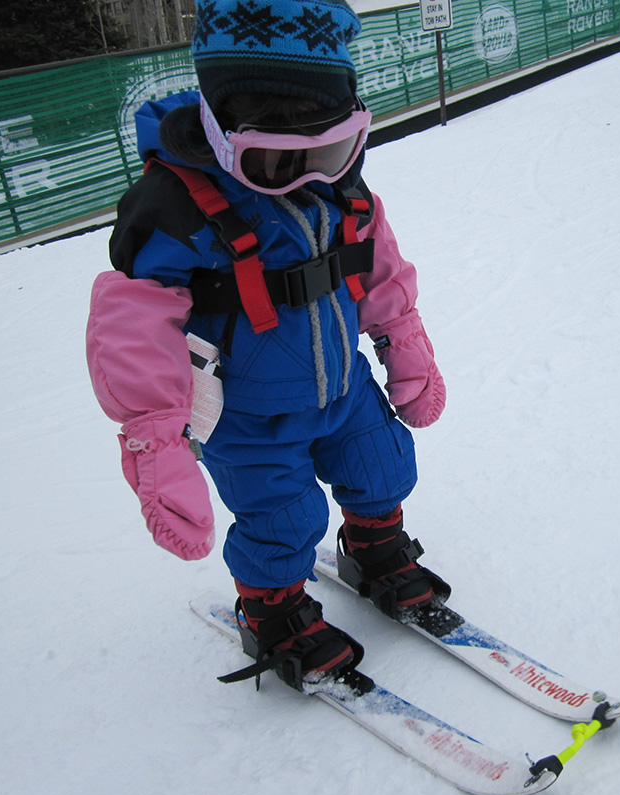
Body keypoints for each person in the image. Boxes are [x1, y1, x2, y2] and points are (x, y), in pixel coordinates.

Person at [85, 0, 449, 691]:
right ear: (225, 134)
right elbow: (131, 324)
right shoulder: (177, 206)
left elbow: (377, 260)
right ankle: (271, 609)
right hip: (246, 415)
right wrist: (154, 438)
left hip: (343, 389)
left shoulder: (340, 187)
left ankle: (374, 548)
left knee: (384, 466)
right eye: (282, 163)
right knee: (283, 520)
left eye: (334, 151)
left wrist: (401, 338)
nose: (316, 174)